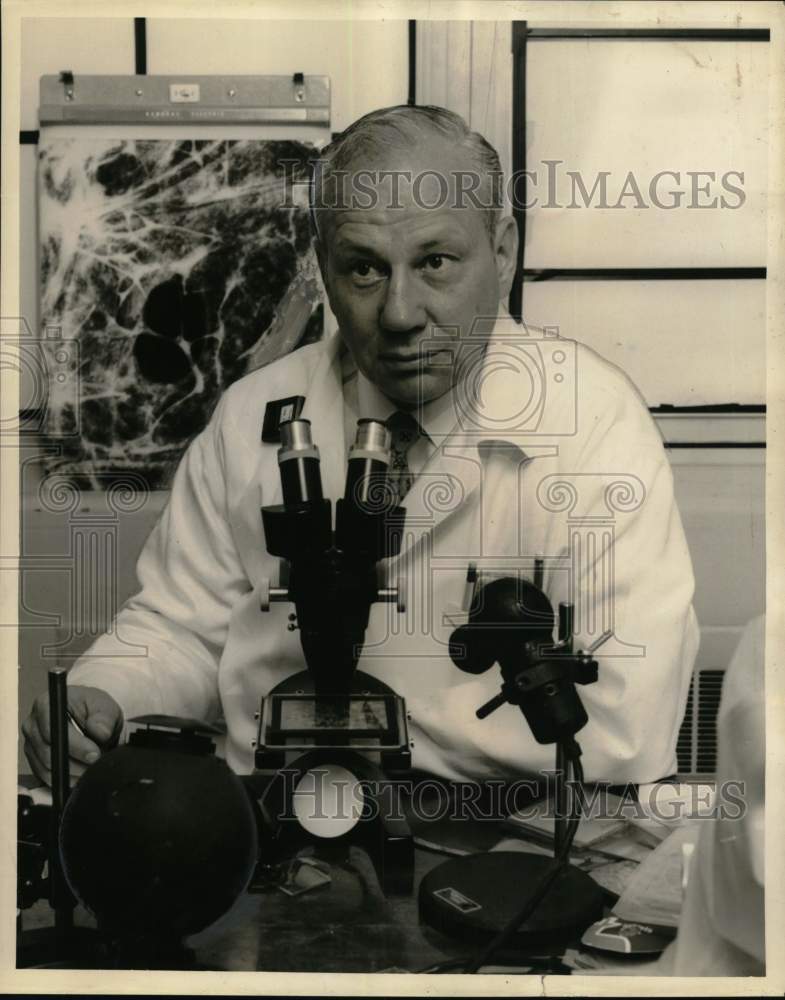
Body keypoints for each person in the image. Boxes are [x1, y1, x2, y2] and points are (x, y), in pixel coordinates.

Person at [23, 105, 699, 788]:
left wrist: (341, 747)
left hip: (505, 839)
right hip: (283, 820)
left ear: (502, 250)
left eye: (435, 262)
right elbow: (181, 628)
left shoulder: (593, 423)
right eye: (365, 271)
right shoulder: (251, 416)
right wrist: (105, 694)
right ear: (322, 268)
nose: (401, 314)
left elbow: (622, 726)